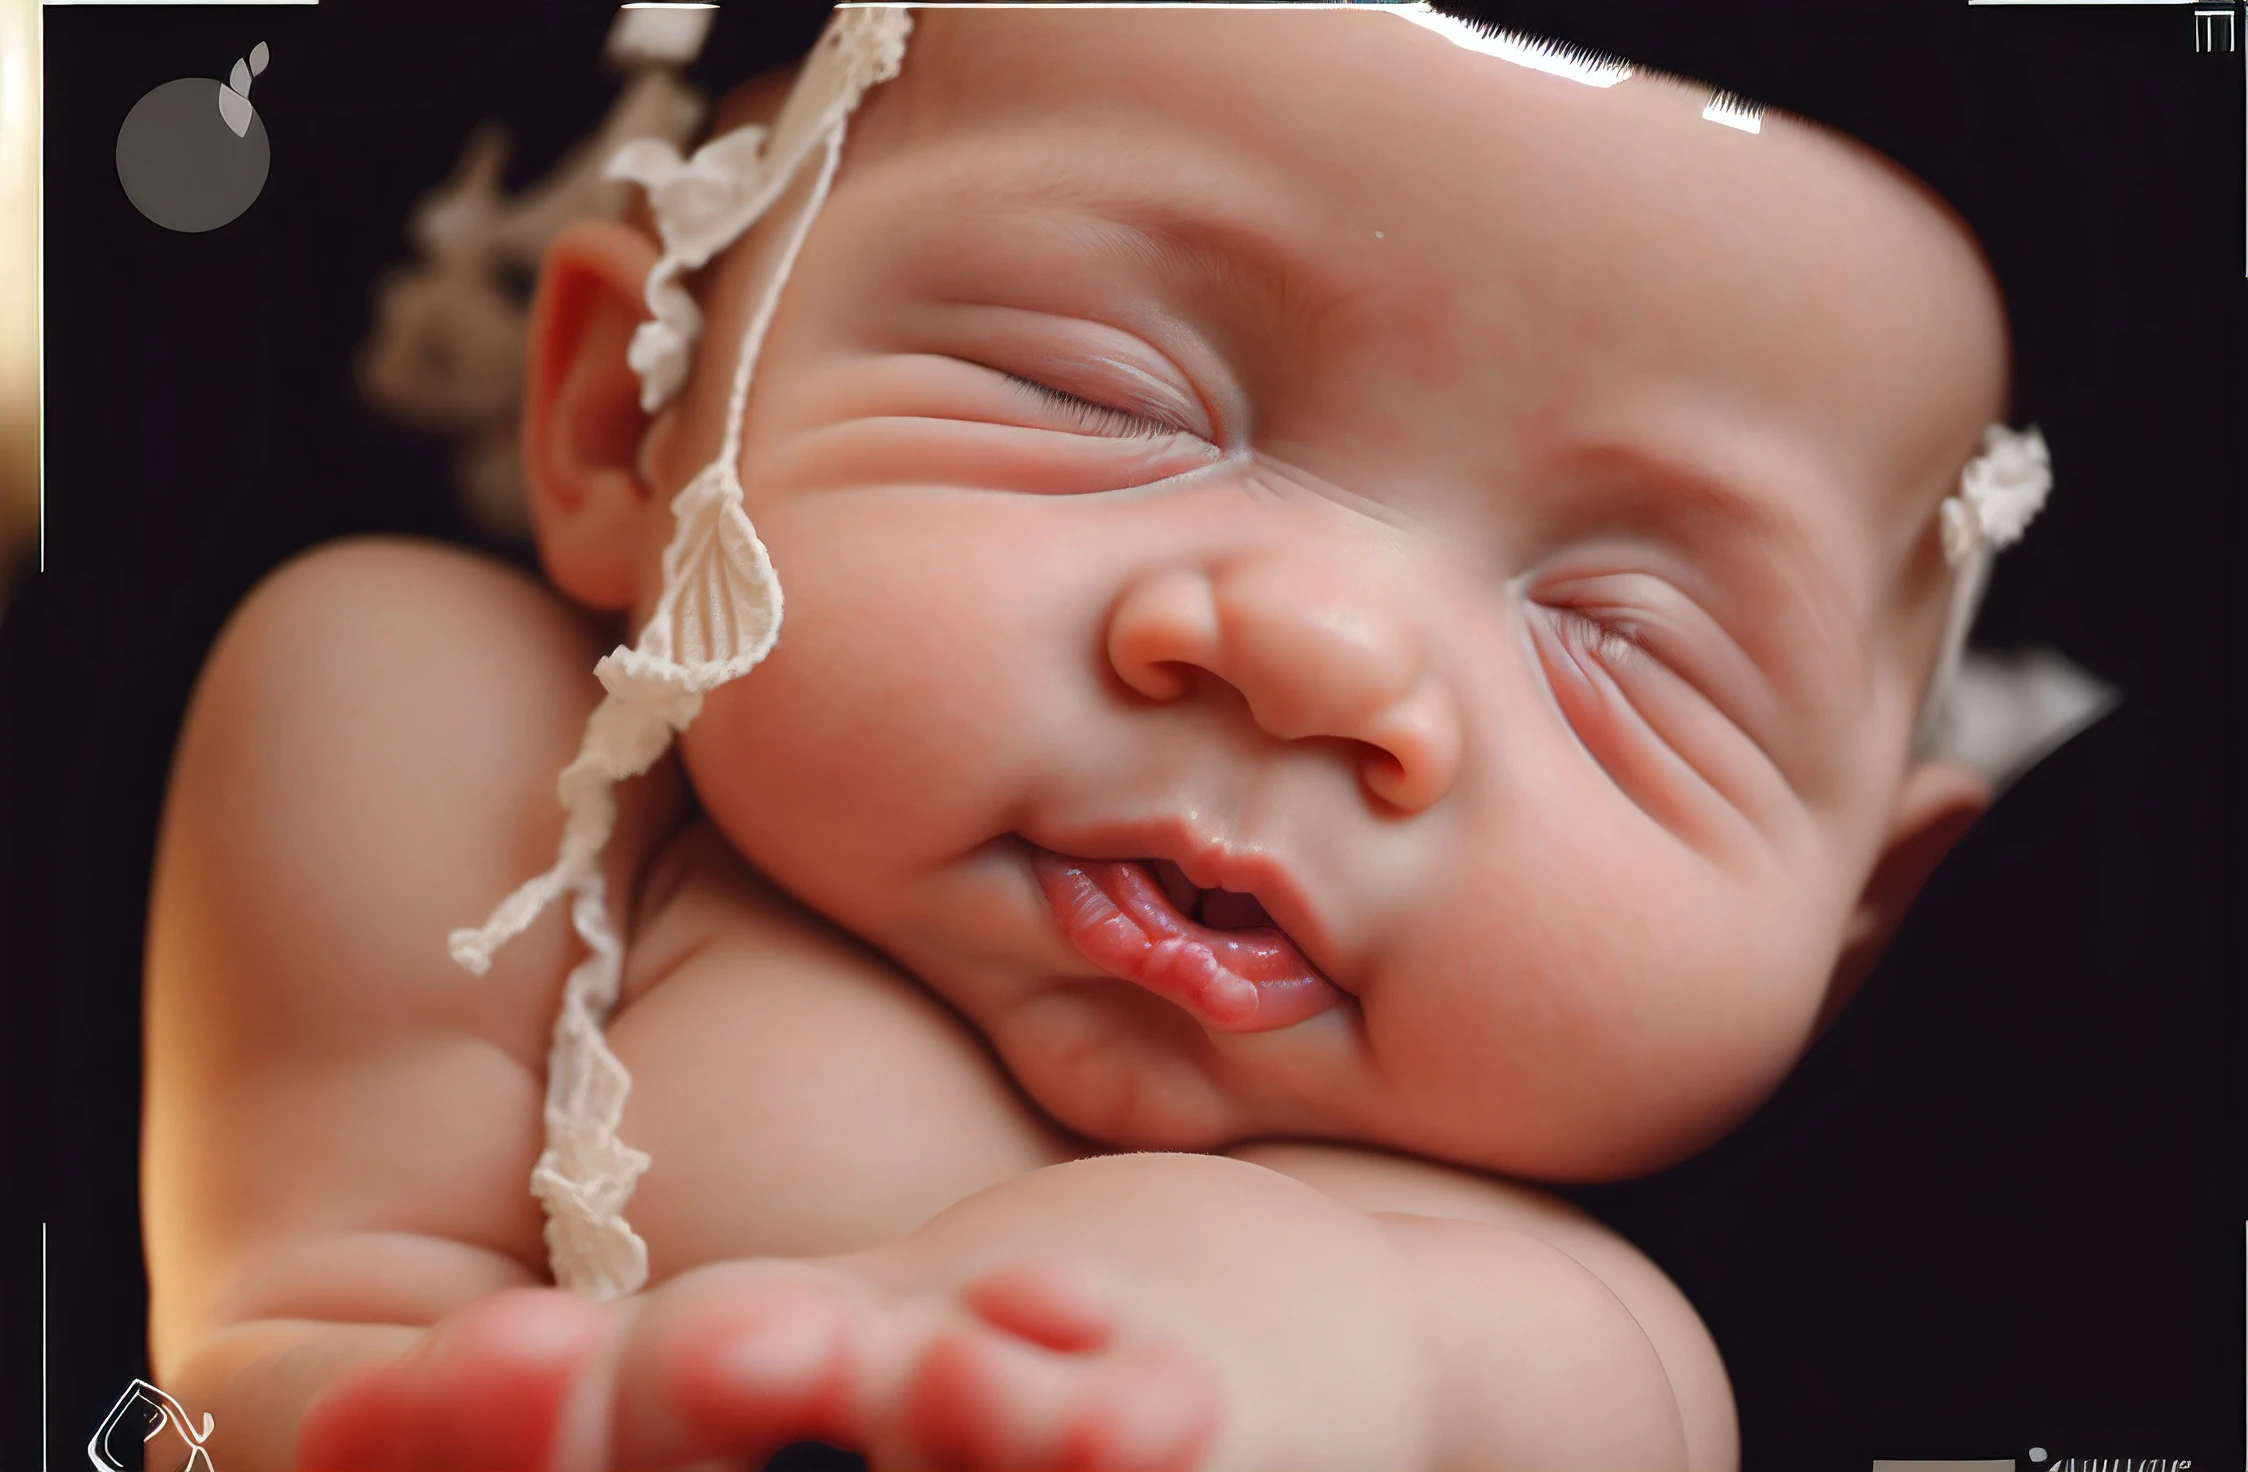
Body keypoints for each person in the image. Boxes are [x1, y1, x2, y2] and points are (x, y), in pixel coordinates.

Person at [141, 6, 2053, 1467]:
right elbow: (270, 1355)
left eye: (1630, 639)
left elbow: (1364, 1373)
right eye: (1100, 395)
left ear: (1864, 909)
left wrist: (1168, 1368)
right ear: (623, 421)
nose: (1318, 661)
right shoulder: (472, 748)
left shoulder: (1562, 1343)